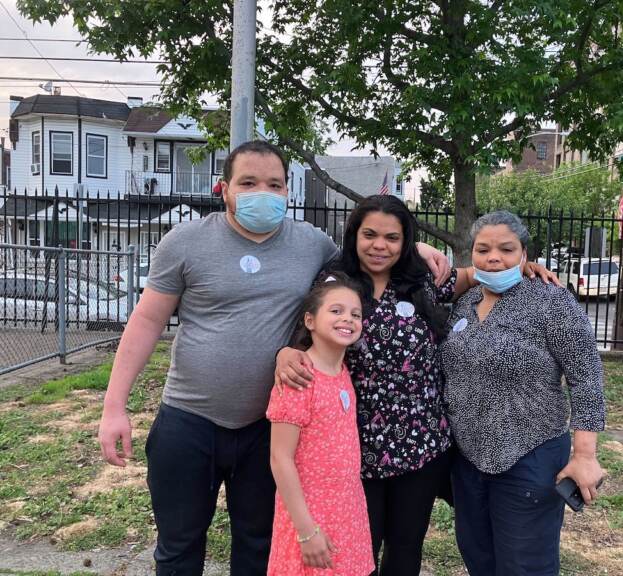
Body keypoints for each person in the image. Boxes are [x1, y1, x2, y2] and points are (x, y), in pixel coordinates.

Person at [97, 140, 450, 576]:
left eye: (274, 184)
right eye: (248, 182)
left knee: (258, 546)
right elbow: (147, 320)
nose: (261, 192)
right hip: (189, 421)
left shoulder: (310, 244)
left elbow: (367, 255)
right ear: (222, 188)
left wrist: (415, 249)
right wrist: (115, 407)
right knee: (178, 546)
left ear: (287, 192)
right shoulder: (185, 241)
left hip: (267, 429)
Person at [276, 197, 559, 576]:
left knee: (406, 548)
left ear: (406, 240)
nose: (380, 246)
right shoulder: (334, 283)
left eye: (392, 237)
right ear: (353, 236)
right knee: (358, 548)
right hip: (358, 448)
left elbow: (475, 274)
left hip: (421, 444)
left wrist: (522, 266)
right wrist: (285, 353)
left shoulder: (423, 279)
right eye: (370, 235)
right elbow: (310, 328)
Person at [439, 211, 606, 576]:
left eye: (506, 249)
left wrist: (585, 454)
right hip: (468, 459)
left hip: (531, 457)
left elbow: (586, 378)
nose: (494, 257)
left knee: (524, 565)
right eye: (483, 250)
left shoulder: (552, 302)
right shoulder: (464, 304)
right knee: (478, 556)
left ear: (525, 254)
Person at [267, 274, 374, 576]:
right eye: (336, 311)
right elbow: (280, 457)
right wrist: (306, 531)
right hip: (308, 517)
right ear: (310, 321)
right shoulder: (299, 378)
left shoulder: (342, 373)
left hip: (347, 512)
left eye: (356, 314)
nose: (348, 319)